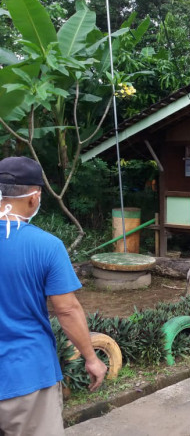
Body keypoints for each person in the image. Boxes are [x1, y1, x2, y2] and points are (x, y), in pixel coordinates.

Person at [0, 157, 106, 436]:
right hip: (25, 376)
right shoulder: (46, 246)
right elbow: (67, 310)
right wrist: (91, 358)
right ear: (34, 198)